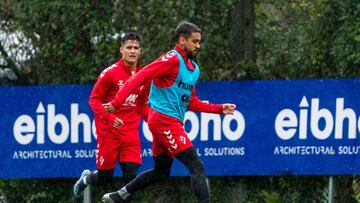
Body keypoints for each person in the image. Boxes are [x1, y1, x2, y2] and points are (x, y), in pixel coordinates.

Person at [101, 22, 236, 203]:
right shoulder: (171, 59)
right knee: (197, 166)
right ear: (182, 40)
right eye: (194, 41)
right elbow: (140, 77)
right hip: (164, 120)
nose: (198, 46)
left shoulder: (193, 69)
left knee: (161, 172)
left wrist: (219, 109)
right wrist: (117, 102)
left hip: (167, 122)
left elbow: (192, 102)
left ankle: (119, 195)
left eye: (199, 42)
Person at [73, 33, 150, 198]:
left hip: (130, 134)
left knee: (131, 179)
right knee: (104, 177)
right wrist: (110, 118)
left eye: (136, 48)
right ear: (121, 49)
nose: (132, 51)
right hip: (108, 132)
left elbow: (142, 104)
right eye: (129, 47)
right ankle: (86, 179)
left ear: (140, 51)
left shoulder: (144, 75)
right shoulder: (110, 73)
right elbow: (93, 100)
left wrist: (152, 121)